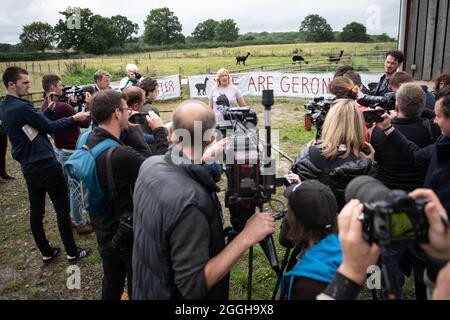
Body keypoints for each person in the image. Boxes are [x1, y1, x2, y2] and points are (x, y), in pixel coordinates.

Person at [132, 100, 275, 300]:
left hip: (146, 286)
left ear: (171, 132)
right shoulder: (192, 203)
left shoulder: (149, 165)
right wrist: (246, 237)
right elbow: (193, 286)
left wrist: (200, 160)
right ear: (212, 138)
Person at [0, 67, 91, 264]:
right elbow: (49, 128)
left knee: (37, 210)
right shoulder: (22, 107)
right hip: (45, 163)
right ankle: (72, 252)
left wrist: (49, 109)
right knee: (61, 208)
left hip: (28, 165)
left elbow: (38, 125)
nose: (28, 86)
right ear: (11, 84)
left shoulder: (6, 106)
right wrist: (74, 118)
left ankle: (46, 252)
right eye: (24, 83)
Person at [86, 89, 168, 300]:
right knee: (136, 279)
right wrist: (159, 131)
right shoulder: (120, 154)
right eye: (125, 109)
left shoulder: (89, 139)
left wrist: (129, 130)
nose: (128, 113)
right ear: (116, 113)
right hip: (125, 230)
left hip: (102, 224)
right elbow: (158, 170)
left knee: (112, 281)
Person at [318, 189, 450, 300]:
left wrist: (350, 271)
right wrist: (440, 261)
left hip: (383, 214)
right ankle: (382, 290)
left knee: (381, 264)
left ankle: (382, 290)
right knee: (387, 265)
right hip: (412, 214)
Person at [292, 99, 377, 209]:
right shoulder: (364, 166)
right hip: (346, 222)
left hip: (310, 220)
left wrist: (307, 153)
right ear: (358, 125)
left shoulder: (305, 156)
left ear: (329, 122)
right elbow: (370, 204)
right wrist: (370, 163)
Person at [377, 86, 450, 213]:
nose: (435, 121)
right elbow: (416, 155)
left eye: (438, 116)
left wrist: (389, 127)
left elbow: (415, 155)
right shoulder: (442, 138)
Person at [41, 75, 93, 234]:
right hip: (71, 150)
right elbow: (85, 122)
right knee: (77, 188)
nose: (63, 88)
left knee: (70, 187)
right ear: (52, 88)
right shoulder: (62, 107)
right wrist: (89, 106)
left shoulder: (46, 105)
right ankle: (80, 223)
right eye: (60, 85)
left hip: (61, 149)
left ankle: (73, 218)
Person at [371, 83, 441, 192]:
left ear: (396, 106)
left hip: (387, 190)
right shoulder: (435, 129)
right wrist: (417, 106)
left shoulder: (379, 130)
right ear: (423, 106)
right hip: (422, 191)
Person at [279, 180, 342, 300]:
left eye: (289, 210)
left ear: (297, 222)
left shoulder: (308, 285)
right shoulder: (337, 245)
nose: (287, 215)